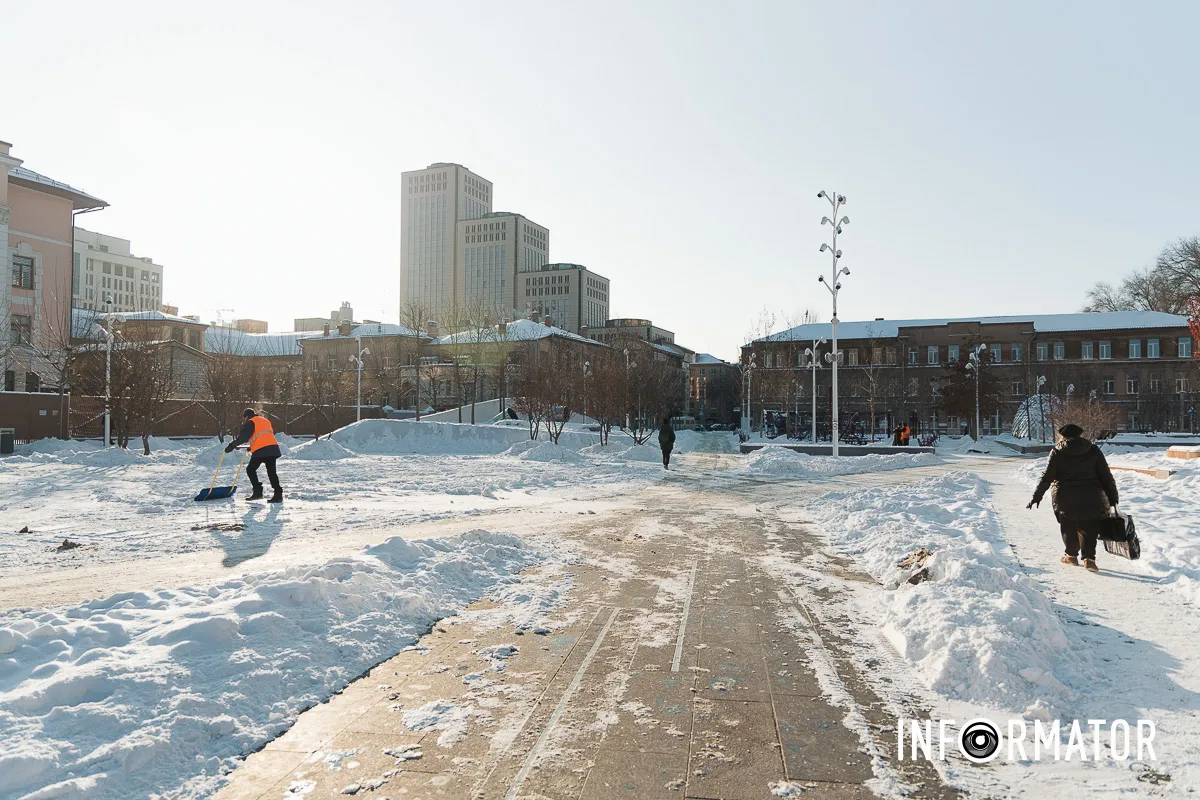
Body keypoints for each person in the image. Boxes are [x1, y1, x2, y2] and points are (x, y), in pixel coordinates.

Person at [1027, 423, 1118, 572]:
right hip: (1091, 495)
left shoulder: (1057, 451)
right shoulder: (1093, 450)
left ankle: (1071, 556)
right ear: (1079, 435)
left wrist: (1037, 496)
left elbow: (1047, 477)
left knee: (1068, 526)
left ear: (1063, 436)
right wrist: (1113, 497)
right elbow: (1106, 476)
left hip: (1065, 496)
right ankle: (1089, 559)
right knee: (1089, 526)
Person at [225, 408, 283, 502]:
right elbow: (263, 435)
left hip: (262, 450)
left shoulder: (251, 422)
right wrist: (251, 446)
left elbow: (243, 437)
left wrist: (232, 445)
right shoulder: (265, 420)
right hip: (273, 448)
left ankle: (258, 492)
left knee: (250, 469)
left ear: (247, 416)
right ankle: (278, 494)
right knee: (272, 472)